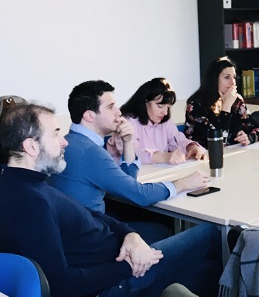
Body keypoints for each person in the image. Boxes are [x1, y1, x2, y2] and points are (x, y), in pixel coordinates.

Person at [0, 103, 221, 297]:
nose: (64, 142)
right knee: (214, 234)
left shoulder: (28, 182)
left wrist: (129, 234)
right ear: (31, 147)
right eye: (56, 134)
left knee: (205, 269)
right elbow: (62, 285)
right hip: (115, 281)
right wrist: (129, 265)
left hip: (120, 257)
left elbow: (89, 213)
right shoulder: (31, 203)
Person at [49, 80, 208, 243]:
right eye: (111, 107)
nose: (118, 112)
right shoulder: (90, 152)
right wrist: (182, 183)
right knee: (200, 232)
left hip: (75, 232)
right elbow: (139, 195)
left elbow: (128, 183)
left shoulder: (73, 143)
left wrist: (128, 142)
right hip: (92, 238)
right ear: (89, 115)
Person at [120, 78, 206, 165]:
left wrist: (191, 147)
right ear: (145, 103)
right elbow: (133, 155)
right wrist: (165, 157)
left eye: (168, 107)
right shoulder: (128, 122)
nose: (165, 112)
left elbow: (177, 140)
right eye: (160, 106)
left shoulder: (164, 121)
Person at [184, 56, 259, 147]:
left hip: (233, 155)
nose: (233, 82)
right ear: (214, 80)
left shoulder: (236, 100)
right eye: (227, 77)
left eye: (234, 77)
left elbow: (257, 129)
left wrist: (248, 138)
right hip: (204, 157)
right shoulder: (195, 106)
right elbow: (217, 142)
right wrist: (226, 106)